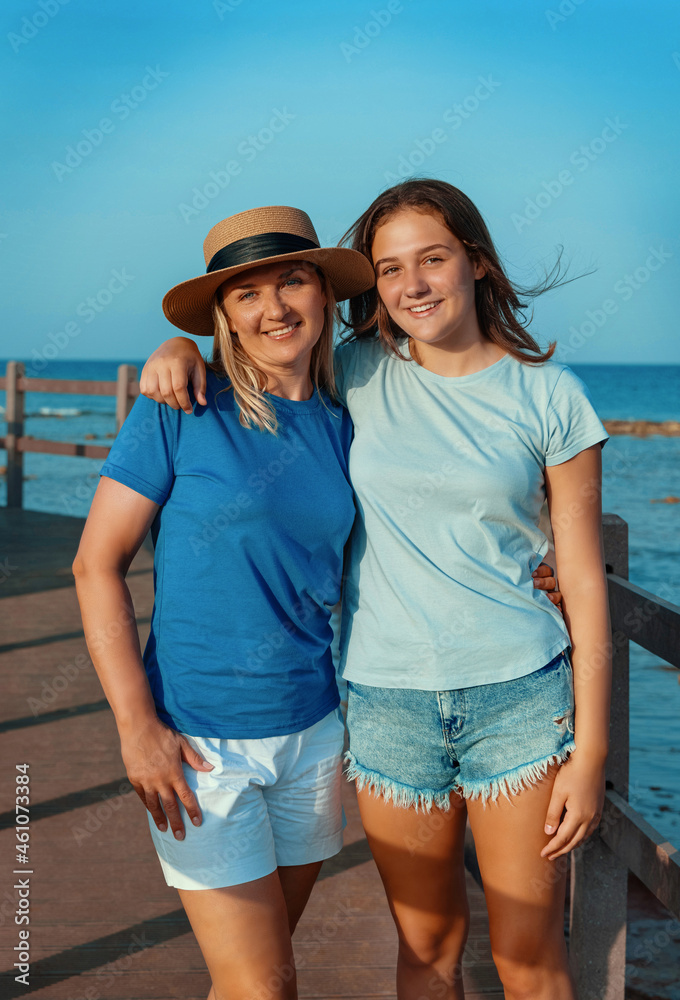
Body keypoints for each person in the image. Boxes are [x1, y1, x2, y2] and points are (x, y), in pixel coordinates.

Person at [138, 180, 602, 1000]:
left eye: (433, 259)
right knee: (426, 955)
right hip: (386, 703)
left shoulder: (551, 396)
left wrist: (591, 750)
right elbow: (259, 351)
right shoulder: (352, 371)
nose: (413, 284)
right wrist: (176, 353)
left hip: (521, 700)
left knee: (530, 960)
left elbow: (587, 580)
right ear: (373, 286)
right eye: (390, 268)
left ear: (478, 264)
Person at [72, 205, 377, 1000]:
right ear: (224, 317)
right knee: (264, 987)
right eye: (245, 294)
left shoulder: (351, 424)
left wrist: (540, 561)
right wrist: (136, 727)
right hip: (199, 747)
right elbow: (94, 566)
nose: (273, 307)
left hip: (312, 735)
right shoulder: (180, 408)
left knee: (252, 979)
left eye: (292, 280)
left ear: (325, 295)